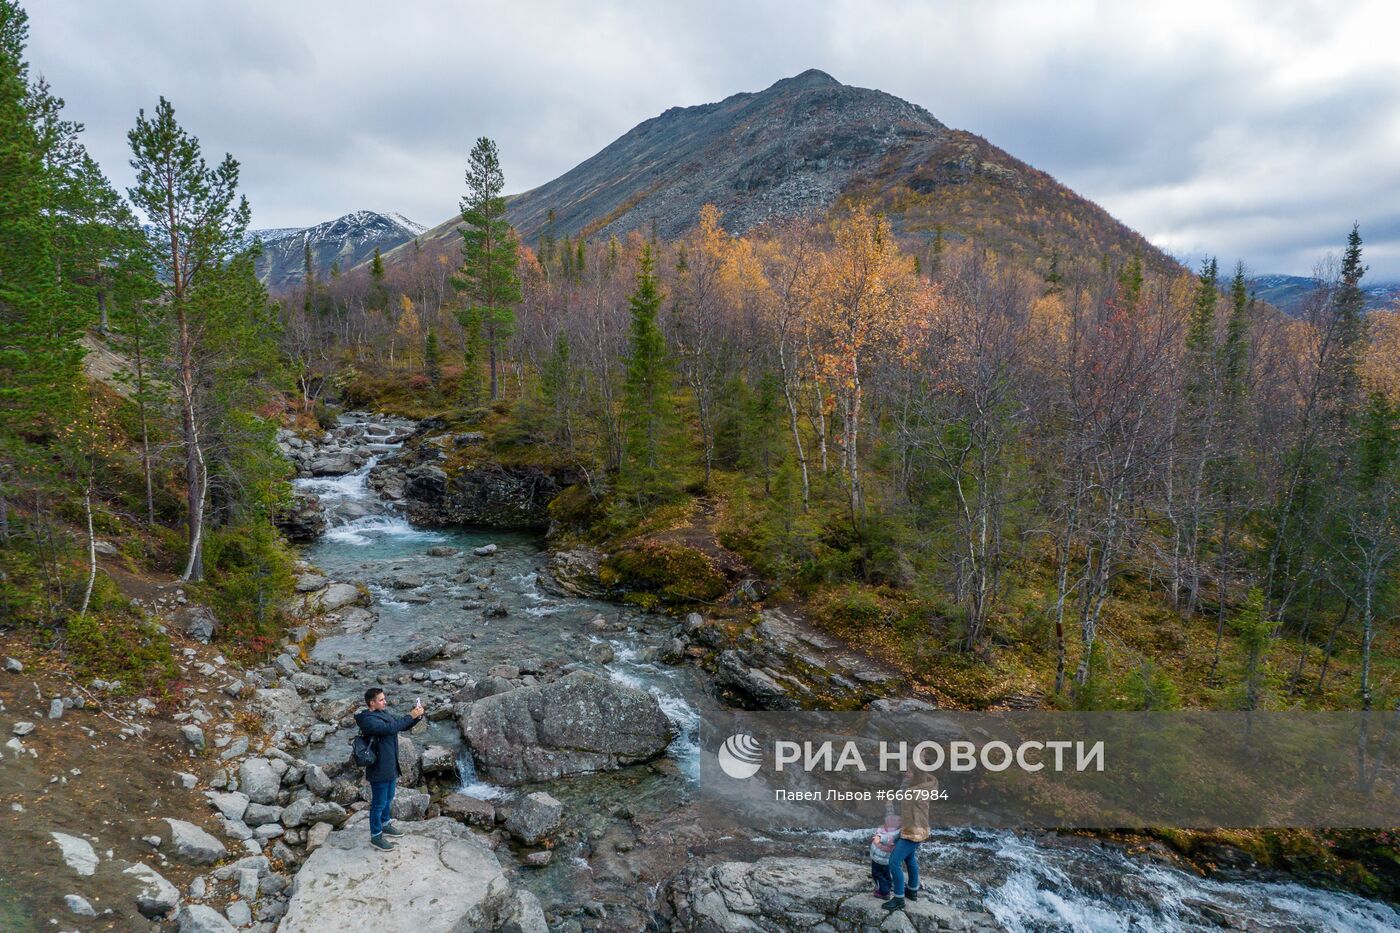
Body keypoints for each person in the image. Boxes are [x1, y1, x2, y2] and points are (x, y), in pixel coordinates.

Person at [354, 687, 424, 851]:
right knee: (378, 803)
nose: (385, 702)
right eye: (381, 700)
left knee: (389, 797)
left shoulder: (383, 713)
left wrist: (417, 716)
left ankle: (385, 824)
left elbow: (399, 725)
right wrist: (411, 716)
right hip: (378, 767)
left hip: (390, 764)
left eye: (384, 699)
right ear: (372, 703)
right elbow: (390, 729)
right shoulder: (367, 720)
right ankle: (376, 835)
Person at [883, 768, 937, 911]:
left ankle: (899, 899)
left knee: (894, 862)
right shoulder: (917, 788)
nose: (906, 773)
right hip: (913, 830)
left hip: (913, 832)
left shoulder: (918, 792)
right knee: (910, 859)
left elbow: (905, 797)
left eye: (910, 771)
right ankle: (912, 890)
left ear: (917, 775)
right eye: (906, 771)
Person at [869, 808, 901, 899]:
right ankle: (887, 887)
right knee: (887, 874)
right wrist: (888, 803)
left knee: (877, 874)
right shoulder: (893, 828)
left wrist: (879, 837)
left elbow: (887, 838)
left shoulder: (894, 834)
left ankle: (883, 892)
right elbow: (890, 813)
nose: (889, 819)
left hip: (880, 859)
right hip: (886, 860)